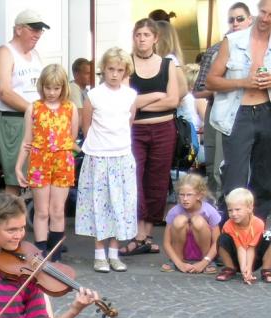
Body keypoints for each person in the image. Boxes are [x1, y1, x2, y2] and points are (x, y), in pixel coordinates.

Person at [75, 47, 138, 273]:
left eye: (119, 70)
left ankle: (114, 252)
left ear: (125, 72)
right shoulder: (94, 95)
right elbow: (86, 125)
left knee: (120, 205)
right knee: (99, 205)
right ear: (103, 69)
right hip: (99, 156)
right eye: (111, 69)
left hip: (121, 155)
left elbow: (129, 122)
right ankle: (99, 253)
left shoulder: (130, 95)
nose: (114, 74)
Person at [207, 0, 271, 222]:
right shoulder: (233, 41)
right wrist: (244, 82)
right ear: (256, 12)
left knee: (265, 180)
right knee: (234, 179)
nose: (265, 18)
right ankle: (229, 242)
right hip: (238, 114)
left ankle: (255, 237)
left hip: (266, 112)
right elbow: (211, 81)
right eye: (263, 12)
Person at [120, 18, 179, 257]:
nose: (142, 39)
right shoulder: (127, 64)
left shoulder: (168, 65)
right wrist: (156, 95)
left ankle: (147, 234)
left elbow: (173, 100)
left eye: (146, 35)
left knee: (157, 181)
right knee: (134, 178)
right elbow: (126, 101)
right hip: (135, 130)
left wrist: (140, 104)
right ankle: (137, 235)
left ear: (155, 38)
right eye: (138, 34)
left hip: (164, 129)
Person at [15, 63, 78, 260]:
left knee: (57, 210)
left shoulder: (70, 108)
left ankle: (55, 253)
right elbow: (27, 140)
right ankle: (41, 252)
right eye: (47, 87)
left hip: (62, 162)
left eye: (56, 88)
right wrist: (18, 167)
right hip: (39, 162)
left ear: (63, 88)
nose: (51, 92)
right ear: (41, 86)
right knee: (41, 210)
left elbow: (71, 138)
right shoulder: (33, 108)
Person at [194, 2, 253, 196]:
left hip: (252, 112)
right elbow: (199, 90)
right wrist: (227, 86)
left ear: (250, 20)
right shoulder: (215, 50)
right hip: (220, 111)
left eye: (240, 19)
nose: (235, 23)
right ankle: (218, 213)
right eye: (231, 20)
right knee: (216, 167)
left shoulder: (262, 49)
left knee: (252, 168)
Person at [0, 9, 49, 196]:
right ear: (18, 29)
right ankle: (9, 222)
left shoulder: (36, 55)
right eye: (33, 29)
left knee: (36, 175)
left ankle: (28, 219)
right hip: (13, 121)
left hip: (35, 120)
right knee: (15, 179)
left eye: (40, 30)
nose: (38, 34)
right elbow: (5, 92)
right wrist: (35, 110)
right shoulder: (5, 53)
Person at [160, 173, 220, 273]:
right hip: (181, 253)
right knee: (179, 220)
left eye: (189, 195)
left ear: (199, 195)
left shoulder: (209, 211)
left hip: (205, 254)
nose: (185, 199)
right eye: (182, 195)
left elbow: (217, 242)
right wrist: (179, 263)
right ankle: (177, 260)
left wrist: (205, 262)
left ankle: (207, 262)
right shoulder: (174, 212)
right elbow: (166, 243)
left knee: (198, 221)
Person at [216, 187, 271, 283]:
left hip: (255, 257)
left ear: (249, 208)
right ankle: (229, 268)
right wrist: (243, 271)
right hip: (236, 257)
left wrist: (248, 269)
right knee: (222, 239)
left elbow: (251, 248)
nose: (233, 214)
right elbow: (240, 248)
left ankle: (266, 269)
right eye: (230, 210)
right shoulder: (228, 225)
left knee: (269, 235)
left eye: (237, 209)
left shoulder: (258, 223)